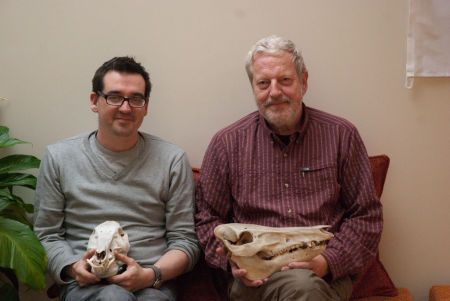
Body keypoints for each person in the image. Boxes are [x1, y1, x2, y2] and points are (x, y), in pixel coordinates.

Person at [195, 35, 383, 301]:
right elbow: (206, 218)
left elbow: (366, 216)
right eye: (263, 83)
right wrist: (231, 263)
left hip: (323, 275)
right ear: (253, 88)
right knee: (301, 289)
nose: (274, 92)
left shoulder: (342, 135)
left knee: (303, 286)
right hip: (253, 280)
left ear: (303, 81)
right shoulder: (227, 143)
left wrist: (329, 261)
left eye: (285, 80)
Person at [34, 56, 200, 301]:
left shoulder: (172, 160)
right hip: (86, 285)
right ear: (94, 101)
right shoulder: (58, 158)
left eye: (136, 99)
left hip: (152, 285)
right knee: (113, 297)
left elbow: (185, 240)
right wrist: (72, 267)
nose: (125, 107)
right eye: (114, 97)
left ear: (146, 105)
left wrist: (150, 274)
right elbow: (47, 234)